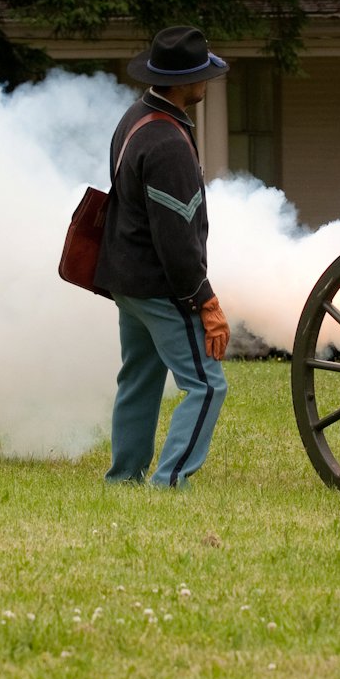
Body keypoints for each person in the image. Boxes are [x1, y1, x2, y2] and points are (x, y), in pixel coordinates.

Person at [94, 26, 231, 488]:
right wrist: (205, 301)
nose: (206, 82)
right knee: (208, 385)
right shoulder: (169, 142)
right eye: (201, 75)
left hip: (125, 277)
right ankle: (169, 482)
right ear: (183, 82)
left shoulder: (135, 117)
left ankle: (123, 478)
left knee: (139, 380)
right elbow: (176, 240)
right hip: (157, 282)